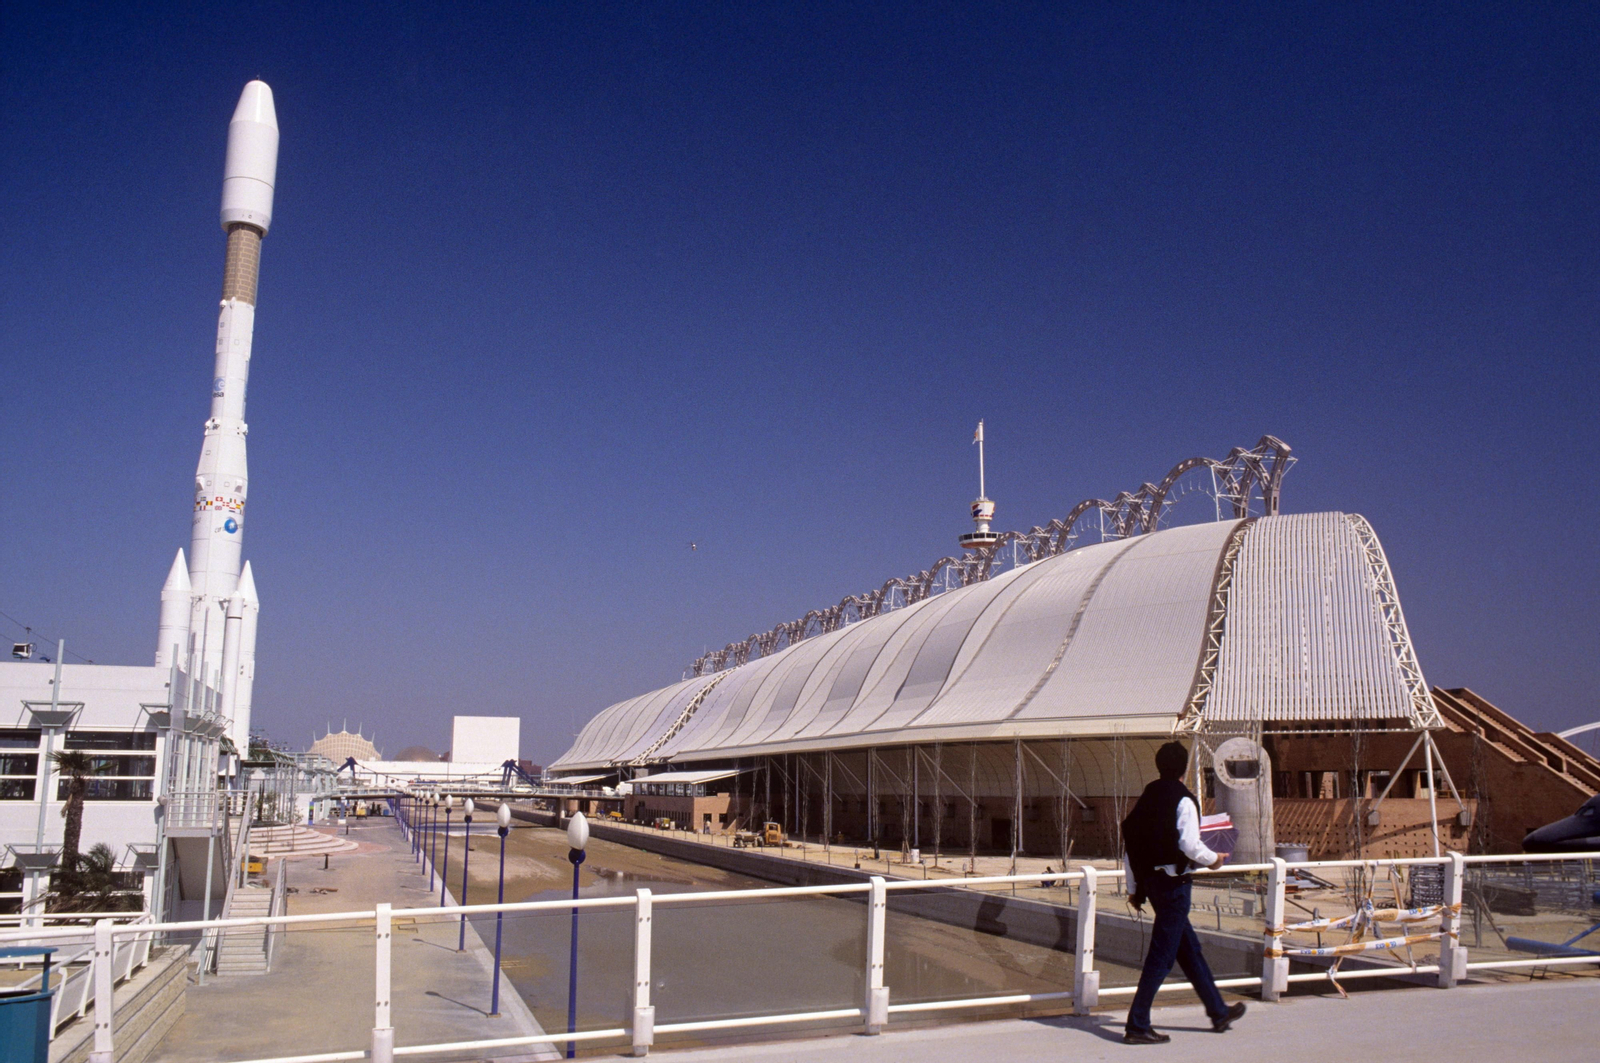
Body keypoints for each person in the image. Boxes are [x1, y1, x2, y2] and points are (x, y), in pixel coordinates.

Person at [1120, 741, 1246, 1045]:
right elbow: (1189, 845)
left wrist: (1135, 890)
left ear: (1159, 765)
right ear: (1185, 768)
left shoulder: (1147, 797)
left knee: (1189, 951)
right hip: (1175, 887)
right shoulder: (1184, 800)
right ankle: (1137, 1025)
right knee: (1161, 957)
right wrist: (1214, 860)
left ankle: (1218, 1012)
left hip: (1152, 885)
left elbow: (1131, 846)